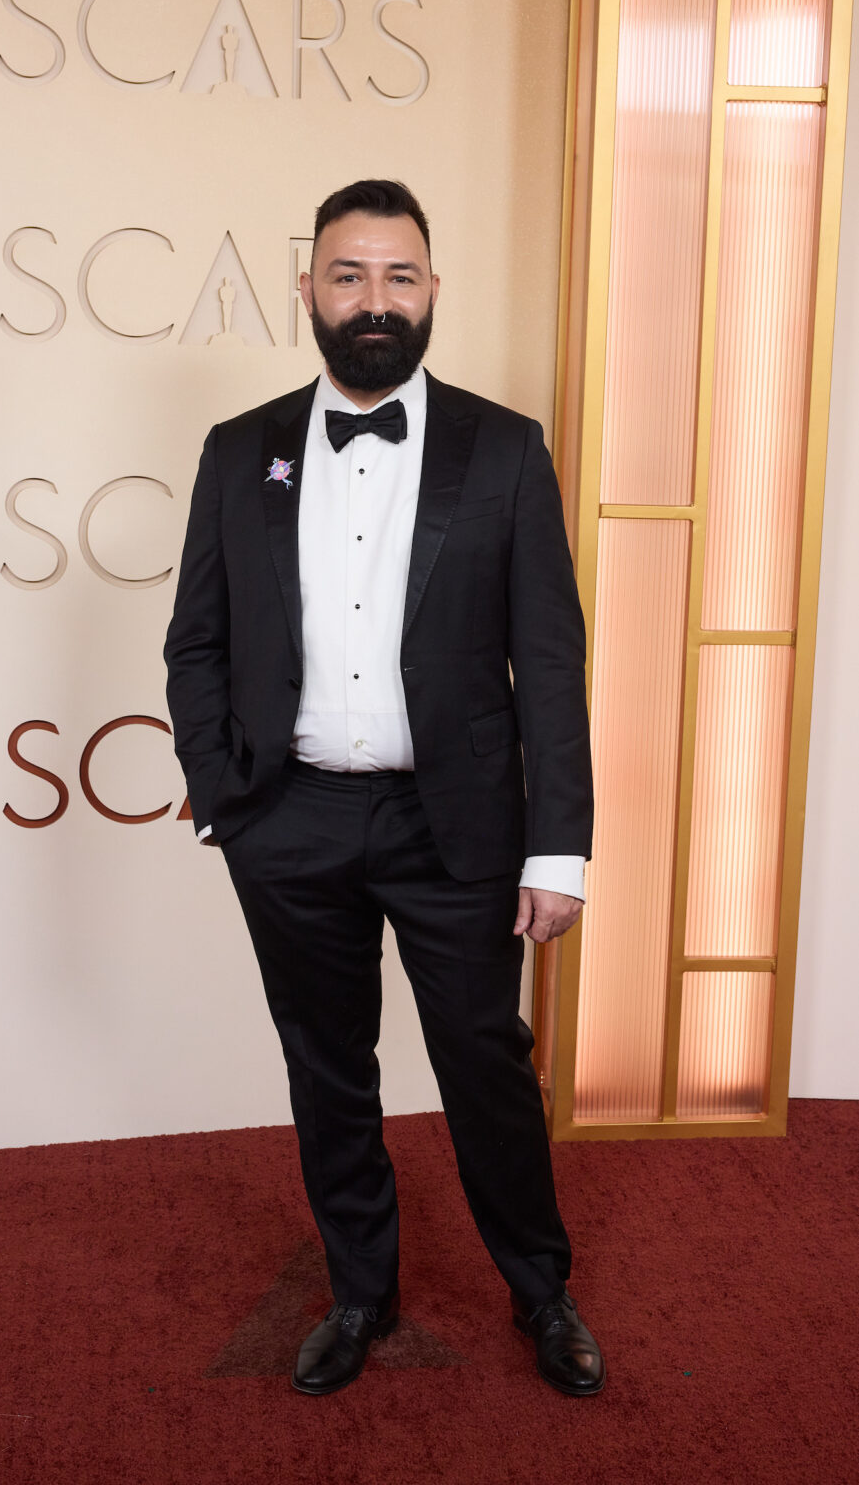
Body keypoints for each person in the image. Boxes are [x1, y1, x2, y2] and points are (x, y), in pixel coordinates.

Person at [163, 179, 604, 1398]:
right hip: (288, 818)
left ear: (431, 291)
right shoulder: (236, 447)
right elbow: (194, 639)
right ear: (309, 289)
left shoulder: (504, 448)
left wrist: (555, 848)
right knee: (326, 1066)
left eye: (397, 277)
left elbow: (550, 661)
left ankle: (539, 1288)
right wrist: (222, 792)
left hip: (455, 824)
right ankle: (360, 1292)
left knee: (484, 1067)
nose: (373, 300)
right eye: (348, 275)